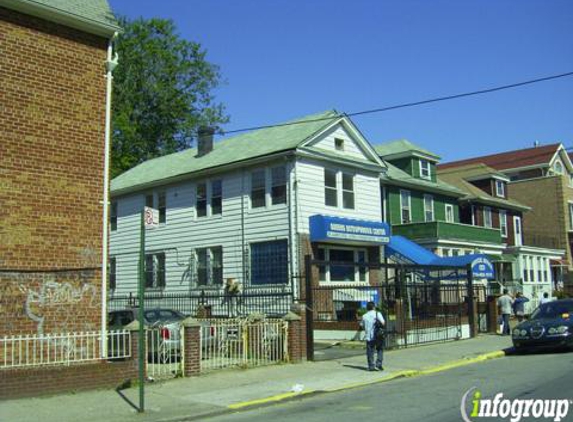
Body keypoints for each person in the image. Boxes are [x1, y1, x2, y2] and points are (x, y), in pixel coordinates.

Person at [360, 302, 385, 371]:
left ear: (367, 308)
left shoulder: (364, 316)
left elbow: (361, 325)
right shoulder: (377, 314)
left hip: (369, 337)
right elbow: (383, 322)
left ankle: (371, 366)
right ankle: (378, 364)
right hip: (378, 335)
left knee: (370, 351)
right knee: (380, 349)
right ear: (374, 307)